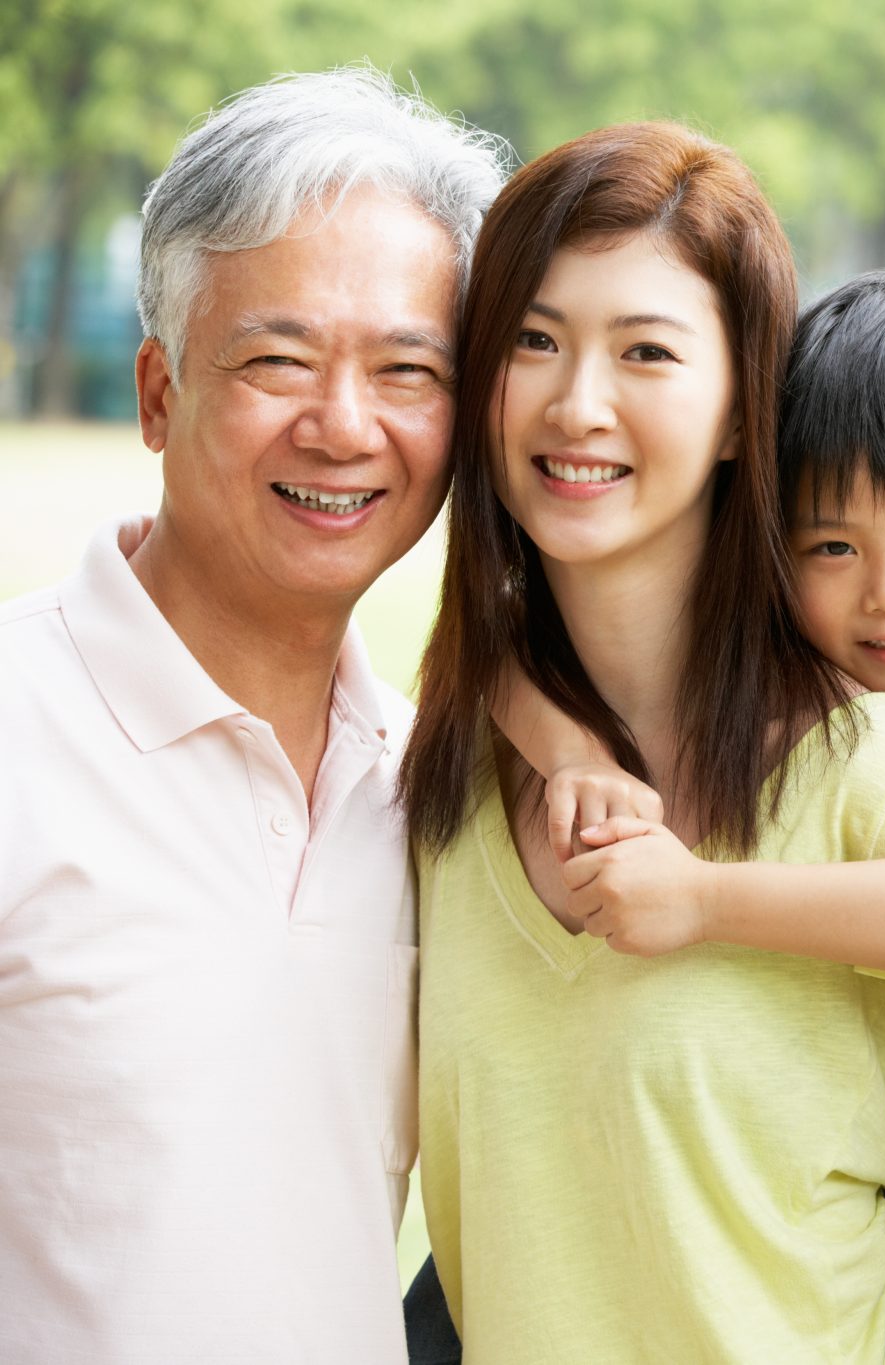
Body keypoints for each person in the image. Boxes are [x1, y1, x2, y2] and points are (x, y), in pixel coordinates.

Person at [399, 124, 885, 1365]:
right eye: (531, 338)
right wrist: (559, 744)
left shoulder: (868, 780)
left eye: (647, 352)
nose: (576, 402)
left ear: (743, 414)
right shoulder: (455, 763)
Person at [0, 70, 503, 1364]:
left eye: (408, 371)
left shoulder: (434, 794)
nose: (344, 426)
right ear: (159, 394)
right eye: (277, 360)